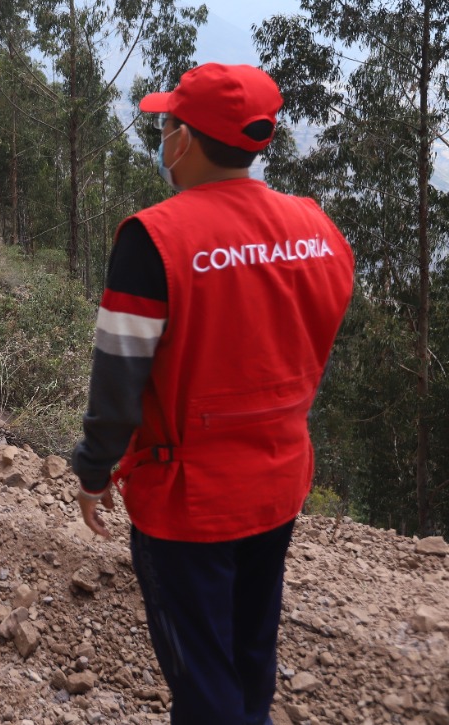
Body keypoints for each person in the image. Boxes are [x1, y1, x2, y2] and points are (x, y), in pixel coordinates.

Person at [71, 63, 354, 725]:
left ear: (186, 140)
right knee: (251, 654)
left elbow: (118, 381)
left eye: (167, 124)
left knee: (201, 679)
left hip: (187, 501)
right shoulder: (317, 228)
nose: (163, 137)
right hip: (278, 484)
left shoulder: (152, 240)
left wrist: (93, 469)